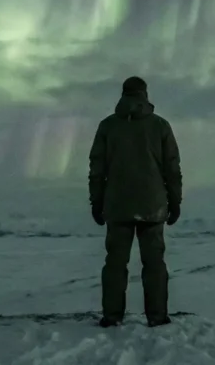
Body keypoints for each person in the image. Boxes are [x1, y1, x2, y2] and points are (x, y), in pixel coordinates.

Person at [88, 76, 183, 328]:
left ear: (123, 94)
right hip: (153, 206)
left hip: (117, 206)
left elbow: (97, 169)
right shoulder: (160, 126)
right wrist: (175, 202)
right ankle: (157, 316)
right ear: (145, 94)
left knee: (115, 263)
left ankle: (112, 317)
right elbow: (172, 169)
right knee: (154, 263)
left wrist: (96, 202)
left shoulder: (108, 126)